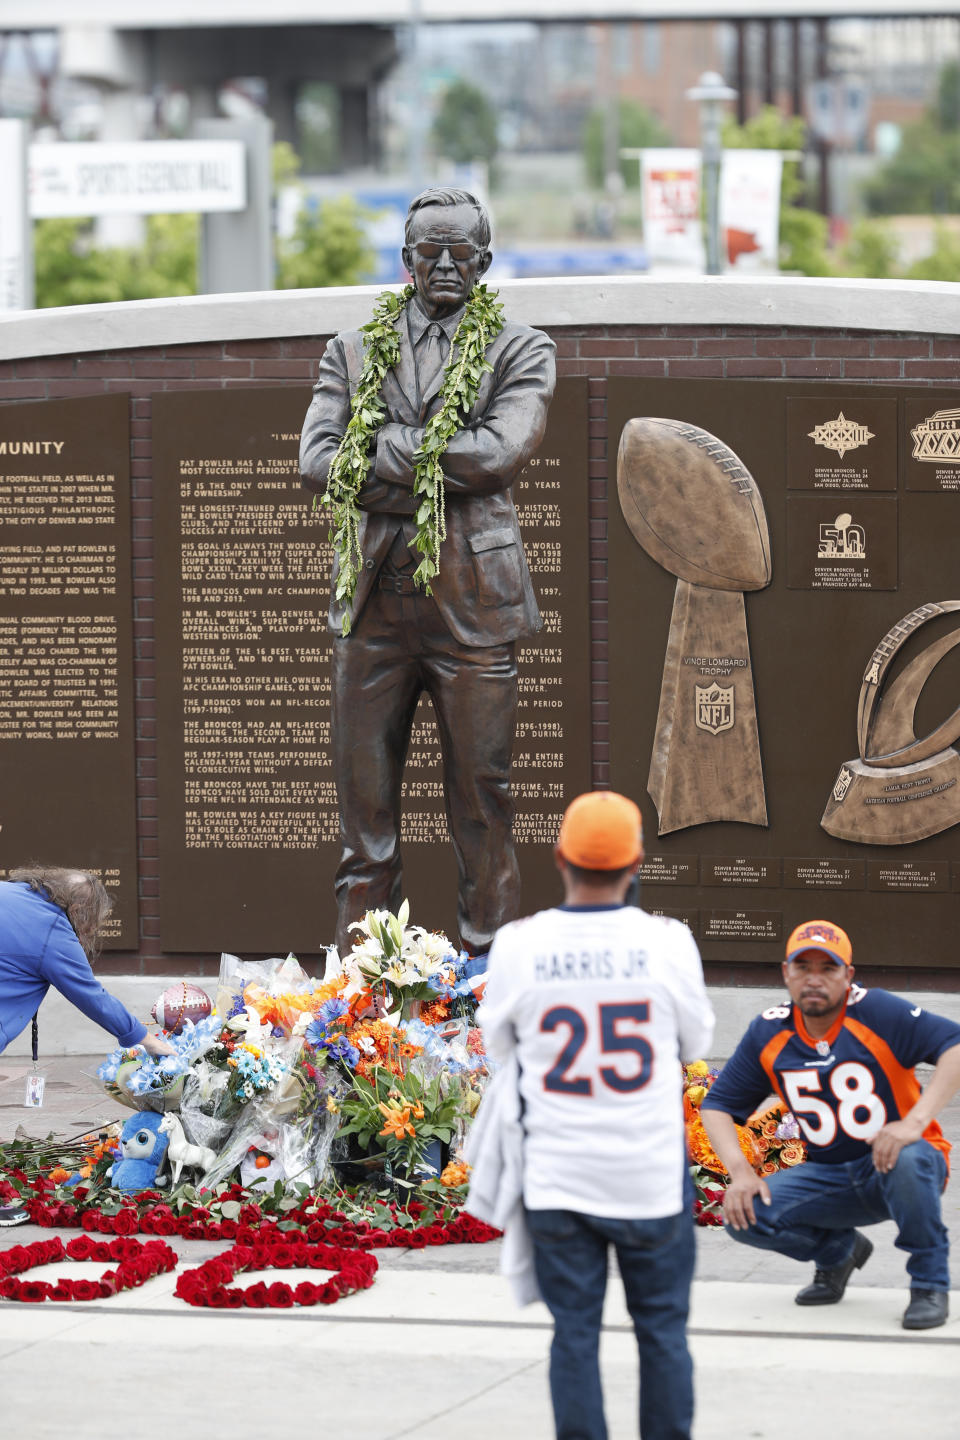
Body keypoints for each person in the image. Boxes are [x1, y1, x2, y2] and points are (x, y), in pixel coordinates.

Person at [300, 187, 555, 958]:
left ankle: (488, 977)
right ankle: (362, 990)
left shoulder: (522, 349)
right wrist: (439, 458)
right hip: (373, 608)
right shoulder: (350, 350)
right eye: (427, 251)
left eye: (460, 252)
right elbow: (317, 460)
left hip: (473, 609)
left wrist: (375, 452)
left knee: (483, 806)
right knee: (363, 818)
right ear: (405, 259)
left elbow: (498, 455)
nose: (444, 264)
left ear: (485, 259)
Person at [475, 791, 715, 1440]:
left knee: (574, 1337)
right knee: (663, 1333)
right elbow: (694, 1046)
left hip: (559, 1178)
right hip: (649, 1176)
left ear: (560, 859)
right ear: (636, 863)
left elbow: (498, 1049)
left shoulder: (520, 945)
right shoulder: (669, 942)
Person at [700, 919, 960, 1331]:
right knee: (743, 1214)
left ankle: (929, 1283)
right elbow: (717, 1105)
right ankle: (838, 1253)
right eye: (804, 967)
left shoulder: (877, 1011)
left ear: (848, 975)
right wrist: (741, 1173)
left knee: (909, 1159)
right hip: (829, 1174)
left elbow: (955, 1045)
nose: (814, 979)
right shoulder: (769, 1029)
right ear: (786, 972)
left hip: (902, 1165)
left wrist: (915, 1123)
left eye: (828, 968)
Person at [0, 866, 175, 1225]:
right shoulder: (51, 927)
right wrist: (147, 1040)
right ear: (80, 910)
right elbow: (91, 996)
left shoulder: (10, 892)